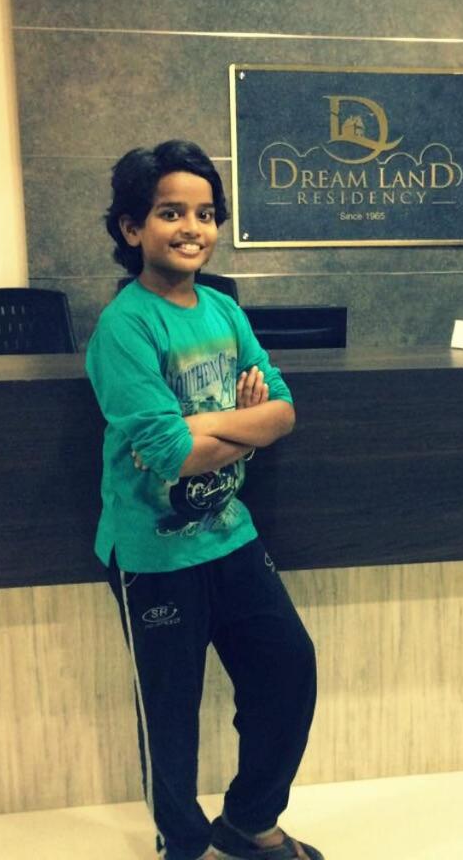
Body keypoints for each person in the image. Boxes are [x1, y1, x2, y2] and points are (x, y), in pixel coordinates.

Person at [85, 139, 323, 860]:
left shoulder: (223, 309)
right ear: (132, 228)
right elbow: (173, 455)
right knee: (170, 716)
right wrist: (231, 429)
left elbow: (283, 410)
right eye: (171, 212)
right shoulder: (125, 326)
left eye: (206, 213)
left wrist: (203, 427)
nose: (192, 227)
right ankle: (182, 845)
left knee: (288, 669)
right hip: (153, 553)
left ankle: (249, 821)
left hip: (230, 533)